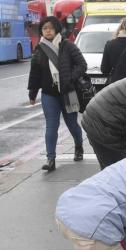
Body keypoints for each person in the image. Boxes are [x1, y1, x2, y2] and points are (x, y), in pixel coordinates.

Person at [27, 16, 86, 172]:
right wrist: (32, 93)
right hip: (49, 94)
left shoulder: (67, 45)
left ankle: (79, 146)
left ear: (56, 29)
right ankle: (51, 159)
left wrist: (70, 79)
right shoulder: (39, 48)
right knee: (51, 126)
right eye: (44, 28)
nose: (47, 31)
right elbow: (35, 72)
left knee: (72, 124)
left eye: (50, 28)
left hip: (68, 92)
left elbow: (82, 65)